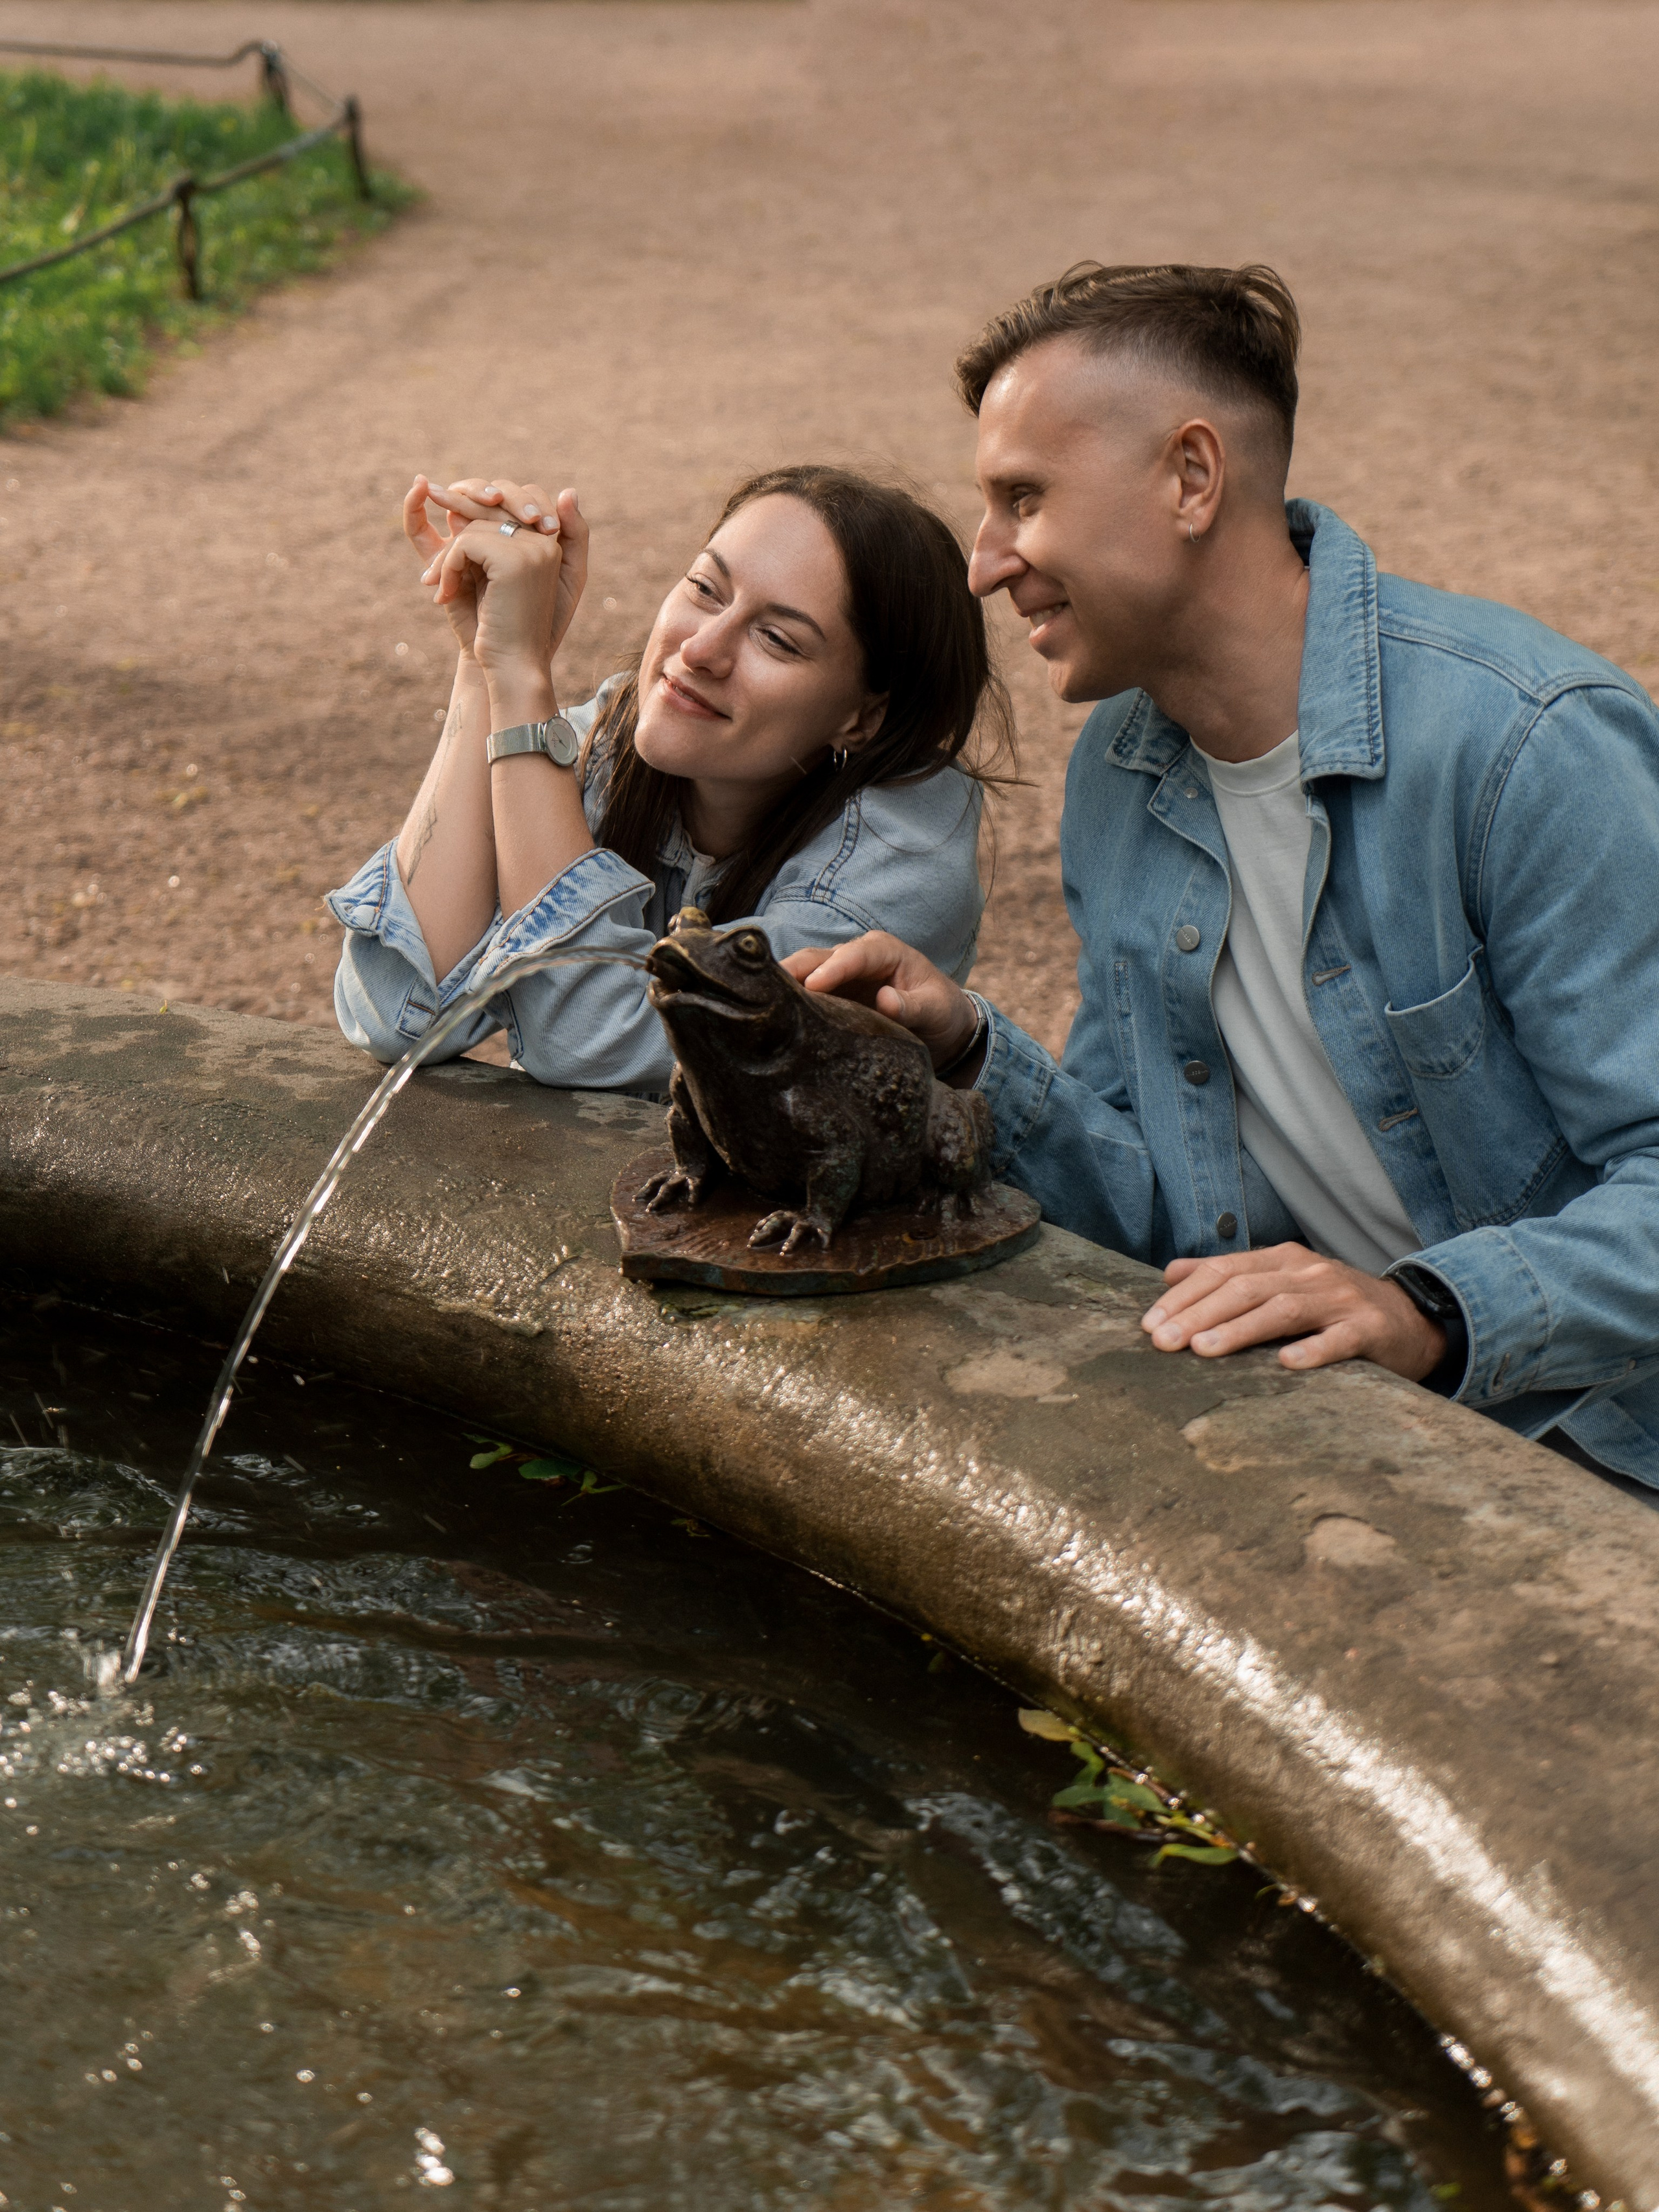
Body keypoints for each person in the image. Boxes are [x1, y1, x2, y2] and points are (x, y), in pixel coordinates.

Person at [793, 262, 1659, 1485]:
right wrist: (964, 1044)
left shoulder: (1527, 744)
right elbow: (1151, 1201)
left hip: (1609, 1457)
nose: (986, 563)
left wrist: (1433, 1312)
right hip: (1350, 1433)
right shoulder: (1120, 774)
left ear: (1191, 478)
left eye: (1023, 498)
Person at [329, 463, 1010, 1091]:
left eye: (777, 639)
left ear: (862, 719)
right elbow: (399, 1014)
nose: (700, 648)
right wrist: (485, 662)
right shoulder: (604, 739)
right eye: (706, 590)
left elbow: (589, 1037)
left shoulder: (899, 863)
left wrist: (520, 676)